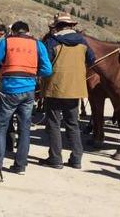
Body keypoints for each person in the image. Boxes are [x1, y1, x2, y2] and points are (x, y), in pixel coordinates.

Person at [0, 21, 52, 175]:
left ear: (14, 32)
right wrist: (33, 74)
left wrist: (3, 69)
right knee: (25, 129)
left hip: (9, 91)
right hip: (29, 92)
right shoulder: (38, 45)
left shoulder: (7, 42)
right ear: (28, 32)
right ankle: (20, 166)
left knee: (1, 128)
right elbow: (48, 70)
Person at [41, 12, 95, 169]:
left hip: (55, 87)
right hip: (75, 88)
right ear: (72, 26)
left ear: (57, 26)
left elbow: (45, 61)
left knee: (54, 124)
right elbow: (91, 60)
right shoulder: (83, 42)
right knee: (73, 124)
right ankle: (76, 159)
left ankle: (55, 159)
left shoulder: (52, 41)